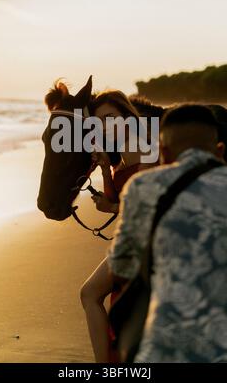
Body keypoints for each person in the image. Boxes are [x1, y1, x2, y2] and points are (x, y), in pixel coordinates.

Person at [108, 103, 227, 362]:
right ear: (220, 150)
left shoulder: (143, 187)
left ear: (163, 153)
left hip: (167, 352)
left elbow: (120, 269)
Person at [80, 89, 158, 362]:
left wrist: (111, 208)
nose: (106, 127)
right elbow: (117, 197)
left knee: (90, 293)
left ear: (127, 115)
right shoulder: (122, 150)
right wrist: (104, 169)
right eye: (99, 123)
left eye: (111, 118)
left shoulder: (149, 147)